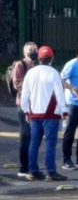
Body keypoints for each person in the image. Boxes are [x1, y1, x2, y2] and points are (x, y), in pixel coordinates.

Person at [20, 46, 68, 182]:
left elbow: (25, 94)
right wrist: (64, 110)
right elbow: (59, 93)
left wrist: (26, 110)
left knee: (34, 143)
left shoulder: (31, 73)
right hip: (51, 114)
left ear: (39, 58)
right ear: (52, 58)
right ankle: (51, 171)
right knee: (50, 143)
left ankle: (33, 171)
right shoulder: (54, 73)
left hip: (34, 113)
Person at [11, 41, 38, 178]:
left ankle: (33, 165)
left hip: (37, 105)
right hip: (24, 105)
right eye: (30, 49)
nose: (33, 51)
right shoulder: (20, 65)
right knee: (25, 135)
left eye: (35, 49)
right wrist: (33, 89)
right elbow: (17, 84)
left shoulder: (38, 65)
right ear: (24, 52)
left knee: (35, 136)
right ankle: (23, 167)